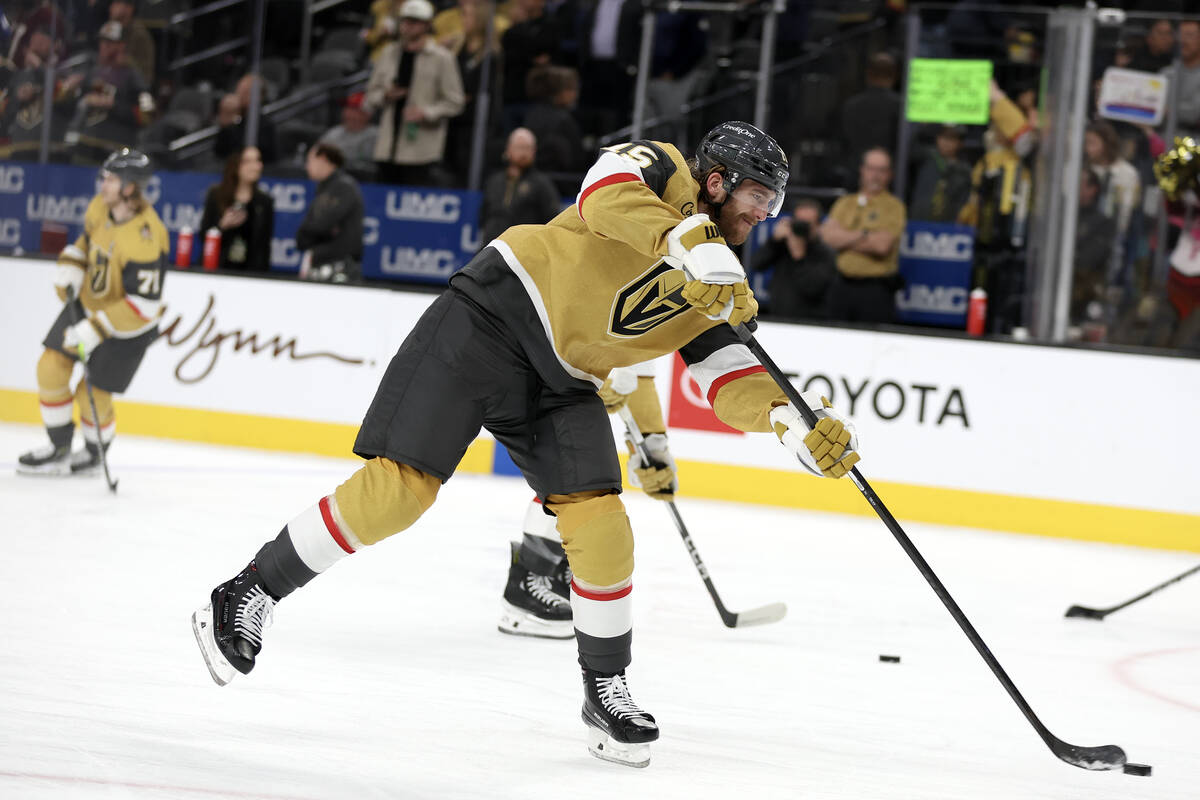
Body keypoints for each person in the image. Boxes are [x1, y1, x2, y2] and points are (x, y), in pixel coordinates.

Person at [190, 121, 861, 769]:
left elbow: (728, 378)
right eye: (755, 200)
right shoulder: (662, 169)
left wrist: (790, 423)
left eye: (771, 206)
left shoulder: (719, 284)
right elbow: (602, 193)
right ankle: (249, 590)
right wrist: (686, 241)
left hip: (563, 380)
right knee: (397, 494)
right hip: (490, 316)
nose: (761, 217)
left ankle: (606, 691)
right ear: (716, 180)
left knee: (603, 526)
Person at [16, 148, 168, 475]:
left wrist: (97, 327)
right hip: (90, 306)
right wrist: (72, 262)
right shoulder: (101, 206)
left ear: (130, 187)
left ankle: (94, 452)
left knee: (91, 394)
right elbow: (87, 240)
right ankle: (58, 446)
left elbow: (144, 305)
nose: (103, 184)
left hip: (129, 327)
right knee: (50, 368)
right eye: (105, 177)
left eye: (111, 179)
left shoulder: (147, 236)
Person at [499, 362, 674, 638]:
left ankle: (557, 575)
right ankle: (529, 583)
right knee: (571, 477)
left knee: (589, 480)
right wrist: (593, 369)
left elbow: (639, 366)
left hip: (565, 387)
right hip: (526, 374)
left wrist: (654, 446)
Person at [364, 0, 465, 187]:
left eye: (414, 21)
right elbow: (370, 96)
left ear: (427, 25)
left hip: (421, 150)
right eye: (405, 21)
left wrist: (426, 112)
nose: (408, 26)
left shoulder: (442, 58)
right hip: (387, 145)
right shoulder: (388, 53)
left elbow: (455, 102)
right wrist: (386, 96)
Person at [819, 147, 906, 324]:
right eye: (871, 168)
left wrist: (844, 238)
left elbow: (882, 246)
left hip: (875, 291)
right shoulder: (845, 203)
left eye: (882, 170)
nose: (876, 175)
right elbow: (828, 238)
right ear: (862, 170)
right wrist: (865, 234)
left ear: (889, 174)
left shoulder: (894, 207)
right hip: (841, 287)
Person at [66, 21, 155, 165]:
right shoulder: (92, 72)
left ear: (122, 45)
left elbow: (147, 115)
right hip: (84, 147)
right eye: (102, 42)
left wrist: (113, 105)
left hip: (114, 151)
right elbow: (75, 107)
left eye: (110, 43)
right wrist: (74, 91)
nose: (104, 46)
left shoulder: (133, 77)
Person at [751, 199, 837, 321]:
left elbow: (813, 288)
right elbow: (756, 264)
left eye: (807, 224)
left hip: (811, 322)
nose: (802, 228)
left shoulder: (825, 253)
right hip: (776, 317)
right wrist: (774, 241)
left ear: (818, 226)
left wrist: (799, 257)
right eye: (799, 222)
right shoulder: (782, 245)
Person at [198, 146, 275, 273]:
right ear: (236, 165)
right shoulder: (216, 195)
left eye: (258, 160)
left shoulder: (264, 202)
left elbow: (264, 247)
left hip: (249, 273)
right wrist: (222, 226)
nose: (256, 166)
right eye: (248, 161)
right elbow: (203, 236)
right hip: (218, 268)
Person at [478, 127, 561, 244]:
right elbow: (483, 217)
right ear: (508, 149)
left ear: (534, 151)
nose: (524, 153)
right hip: (491, 248)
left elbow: (552, 221)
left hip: (523, 252)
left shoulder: (542, 184)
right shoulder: (494, 181)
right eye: (520, 147)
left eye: (528, 148)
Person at [296, 143, 364, 283]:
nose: (307, 166)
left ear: (323, 159)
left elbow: (321, 225)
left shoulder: (343, 187)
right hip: (324, 263)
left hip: (338, 268)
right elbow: (309, 231)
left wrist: (308, 232)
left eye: (310, 160)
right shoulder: (325, 189)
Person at [839, 52, 900, 183]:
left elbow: (843, 143)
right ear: (895, 76)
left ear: (868, 74)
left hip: (854, 175)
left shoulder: (851, 105)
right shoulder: (901, 107)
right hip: (890, 180)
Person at [1071, 168, 1116, 333]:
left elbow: (1088, 260)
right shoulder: (1063, 216)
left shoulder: (1103, 224)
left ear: (1093, 189)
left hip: (1084, 295)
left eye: (1081, 184)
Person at [908, 125, 972, 223]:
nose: (946, 143)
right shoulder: (926, 158)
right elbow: (910, 145)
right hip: (919, 220)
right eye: (943, 137)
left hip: (948, 224)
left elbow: (964, 200)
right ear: (937, 139)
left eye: (951, 139)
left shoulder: (965, 170)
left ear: (960, 143)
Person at [213, 74, 279, 164]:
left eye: (245, 92)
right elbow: (220, 153)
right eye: (239, 90)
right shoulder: (234, 120)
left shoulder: (265, 125)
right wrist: (226, 124)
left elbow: (253, 154)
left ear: (258, 96)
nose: (239, 95)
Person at [319, 92, 380, 176]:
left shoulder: (375, 136)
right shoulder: (334, 132)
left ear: (367, 114)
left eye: (354, 109)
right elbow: (318, 155)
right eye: (347, 108)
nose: (348, 113)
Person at [107, 0, 154, 85]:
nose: (112, 7)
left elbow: (145, 71)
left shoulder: (139, 34)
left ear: (129, 8)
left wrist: (125, 60)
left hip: (134, 86)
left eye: (117, 3)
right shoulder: (115, 28)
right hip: (115, 81)